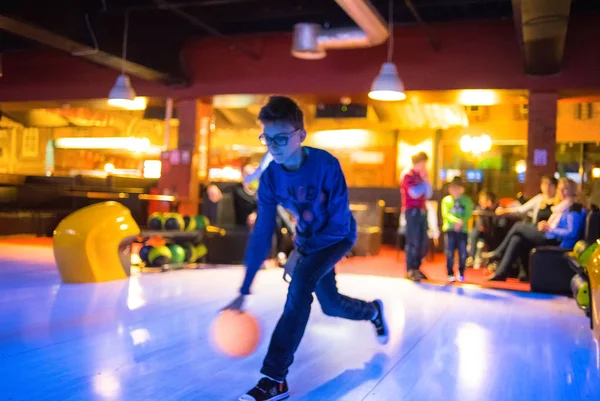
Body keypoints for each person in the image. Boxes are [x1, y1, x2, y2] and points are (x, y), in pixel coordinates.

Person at [222, 96, 389, 401]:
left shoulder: (326, 165)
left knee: (299, 288)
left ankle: (274, 379)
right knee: (331, 304)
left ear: (301, 135)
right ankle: (372, 311)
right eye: (267, 138)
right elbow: (261, 234)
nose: (273, 145)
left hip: (337, 237)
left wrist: (301, 253)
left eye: (282, 138)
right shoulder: (271, 178)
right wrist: (244, 289)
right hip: (309, 241)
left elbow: (339, 226)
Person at [483, 178, 585, 281]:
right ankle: (501, 273)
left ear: (572, 190)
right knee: (517, 238)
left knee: (519, 226)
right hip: (551, 236)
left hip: (557, 241)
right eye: (560, 189)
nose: (562, 192)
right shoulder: (562, 206)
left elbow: (572, 233)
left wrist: (550, 229)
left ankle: (498, 253)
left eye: (565, 189)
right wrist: (547, 226)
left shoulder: (574, 208)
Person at [400, 152, 432, 281]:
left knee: (422, 241)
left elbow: (428, 194)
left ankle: (417, 268)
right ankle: (410, 269)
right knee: (413, 241)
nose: (425, 166)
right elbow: (413, 193)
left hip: (422, 211)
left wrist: (426, 181)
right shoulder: (408, 175)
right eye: (423, 163)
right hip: (412, 211)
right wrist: (424, 185)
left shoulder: (422, 176)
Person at [441, 177, 473, 282]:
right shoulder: (446, 200)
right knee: (449, 252)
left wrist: (461, 222)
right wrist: (455, 221)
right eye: (452, 188)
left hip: (462, 231)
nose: (454, 190)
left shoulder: (467, 200)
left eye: (457, 188)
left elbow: (468, 213)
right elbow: (445, 214)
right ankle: (450, 272)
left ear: (462, 189)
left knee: (463, 253)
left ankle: (461, 271)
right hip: (450, 230)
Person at [467, 190, 498, 268]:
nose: (480, 202)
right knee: (474, 233)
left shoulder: (498, 209)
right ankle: (471, 258)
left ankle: (493, 261)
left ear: (489, 201)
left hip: (494, 233)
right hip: (484, 232)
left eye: (482, 200)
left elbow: (499, 226)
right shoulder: (481, 209)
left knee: (493, 237)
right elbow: (480, 223)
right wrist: (481, 225)